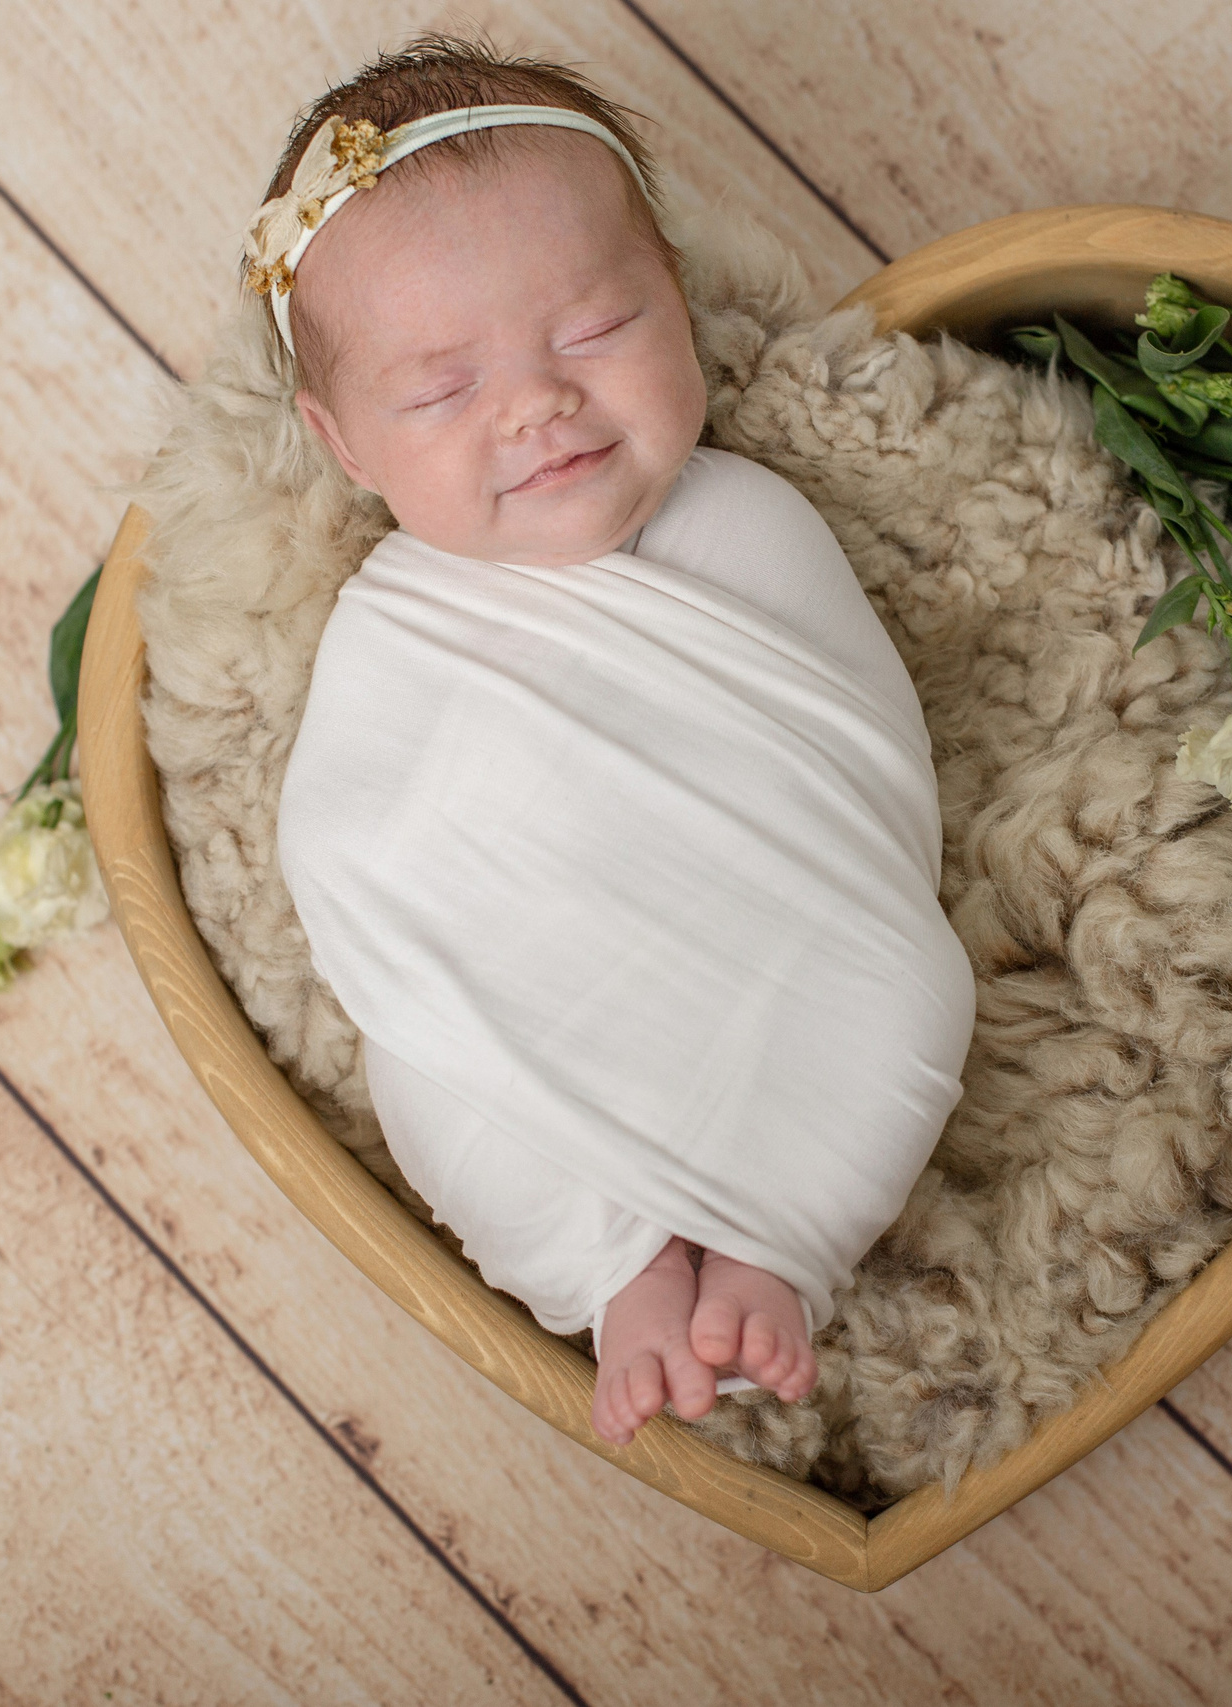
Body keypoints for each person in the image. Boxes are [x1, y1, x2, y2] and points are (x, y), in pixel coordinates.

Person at [267, 38, 974, 1448]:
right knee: (435, 1085)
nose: (535, 405)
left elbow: (864, 775)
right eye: (440, 393)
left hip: (786, 942)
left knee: (911, 997)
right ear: (346, 447)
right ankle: (618, 1272)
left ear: (678, 299)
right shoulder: (392, 622)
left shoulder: (746, 518)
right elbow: (359, 851)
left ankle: (783, 1247)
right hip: (527, 999)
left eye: (595, 330)